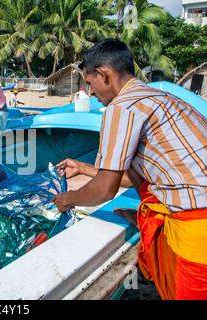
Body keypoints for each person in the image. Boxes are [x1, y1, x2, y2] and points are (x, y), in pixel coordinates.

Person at [53, 39, 207, 300]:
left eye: (90, 84)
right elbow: (138, 173)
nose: (90, 93)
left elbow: (104, 189)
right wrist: (83, 167)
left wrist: (65, 200)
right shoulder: (161, 98)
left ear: (105, 75)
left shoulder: (121, 107)